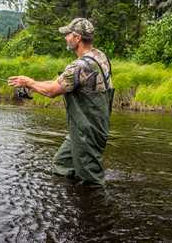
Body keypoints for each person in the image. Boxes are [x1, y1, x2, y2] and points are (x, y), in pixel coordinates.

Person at [8, 18, 114, 185]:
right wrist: (32, 84)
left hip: (87, 131)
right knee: (62, 165)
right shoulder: (100, 56)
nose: (65, 37)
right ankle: (69, 202)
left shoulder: (79, 66)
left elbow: (52, 92)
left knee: (91, 180)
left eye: (68, 34)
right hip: (89, 126)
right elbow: (56, 83)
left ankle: (93, 208)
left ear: (77, 38)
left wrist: (28, 82)